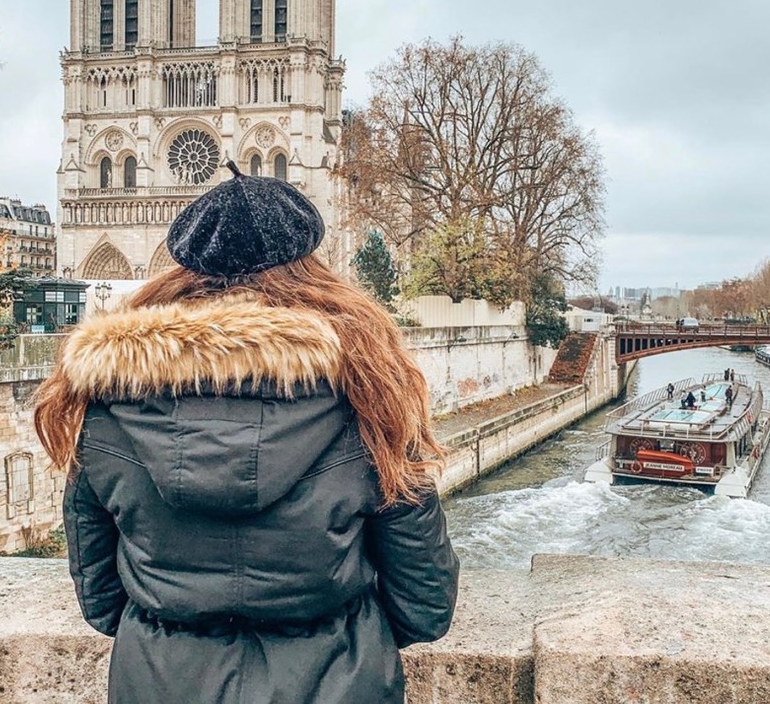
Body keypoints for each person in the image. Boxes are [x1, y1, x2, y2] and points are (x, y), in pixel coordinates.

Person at [34, 164, 459, 704]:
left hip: (160, 683)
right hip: (337, 680)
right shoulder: (370, 396)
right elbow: (425, 603)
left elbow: (98, 597)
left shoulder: (107, 403)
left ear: (183, 270)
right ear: (310, 271)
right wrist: (345, 641)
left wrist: (170, 638)